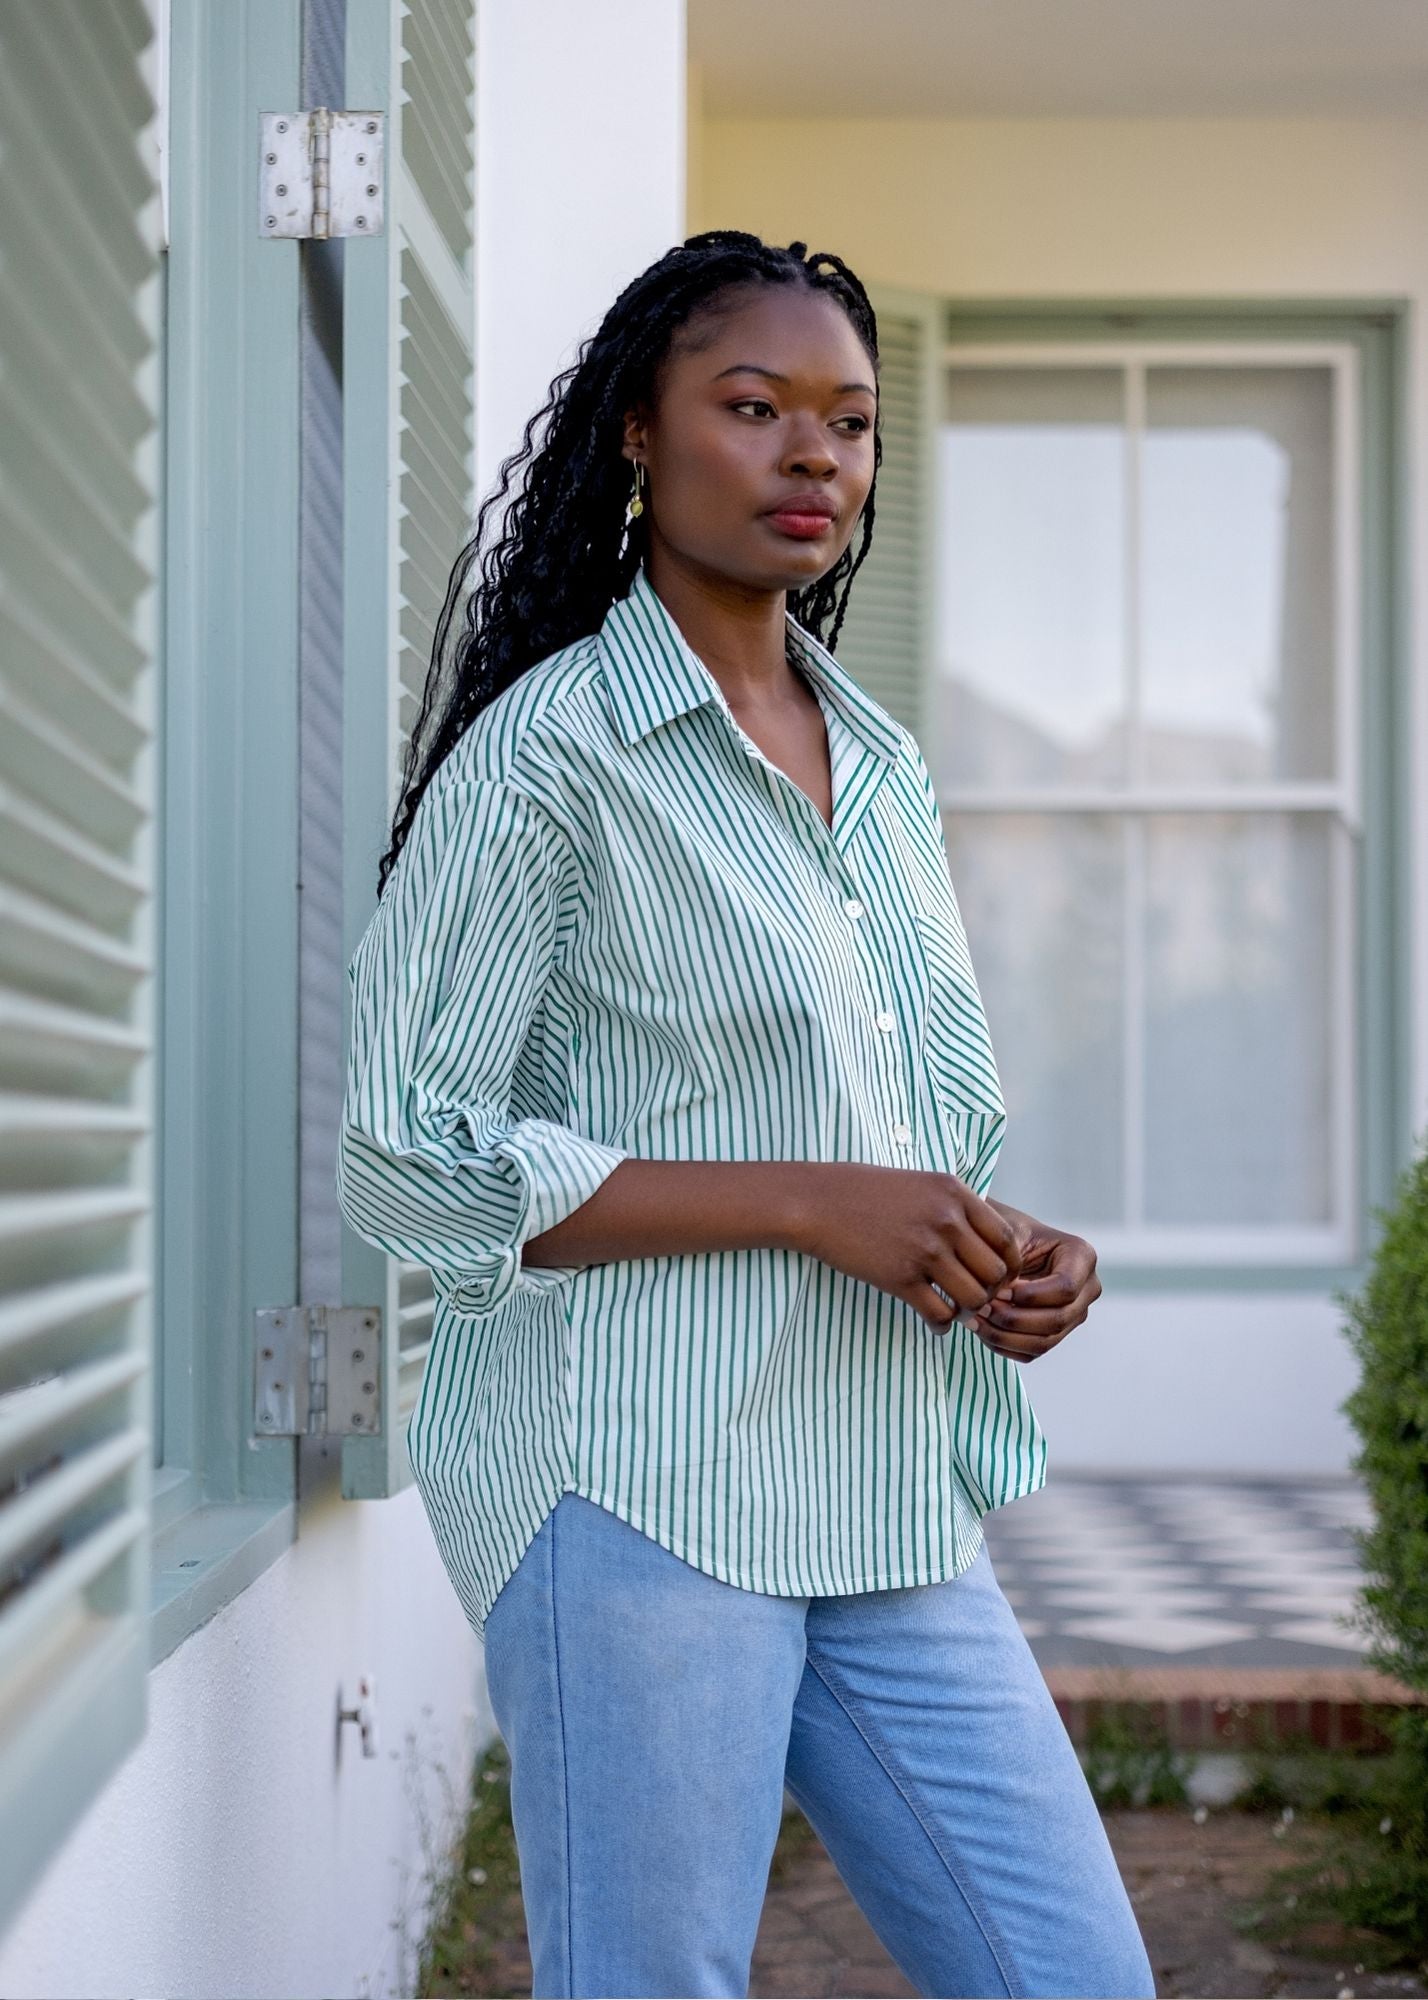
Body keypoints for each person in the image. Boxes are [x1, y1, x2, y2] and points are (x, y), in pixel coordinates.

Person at [337, 230, 1156, 2000]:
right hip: (635, 1488)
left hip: (879, 1483)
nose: (813, 456)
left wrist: (998, 1249)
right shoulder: (551, 756)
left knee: (1074, 1973)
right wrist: (805, 1202)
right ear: (638, 432)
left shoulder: (883, 764)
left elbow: (898, 1116)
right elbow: (406, 1159)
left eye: (850, 423)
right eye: (755, 405)